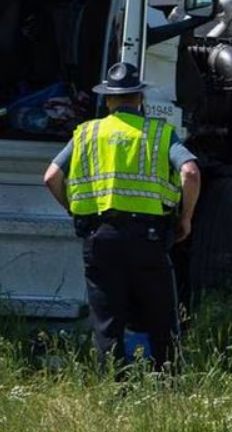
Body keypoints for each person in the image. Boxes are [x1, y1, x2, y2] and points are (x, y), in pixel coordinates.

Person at [42, 62, 201, 373]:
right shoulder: (159, 133)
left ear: (110, 100)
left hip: (100, 237)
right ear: (139, 99)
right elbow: (190, 172)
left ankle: (114, 391)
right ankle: (168, 385)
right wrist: (186, 218)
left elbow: (50, 177)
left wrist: (74, 208)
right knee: (161, 318)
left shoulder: (86, 133)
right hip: (148, 237)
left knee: (107, 322)